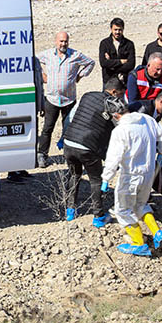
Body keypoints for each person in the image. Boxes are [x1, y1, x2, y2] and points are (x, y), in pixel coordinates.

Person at [101, 93, 162, 257]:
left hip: (130, 176)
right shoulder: (145, 119)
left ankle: (138, 243)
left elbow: (114, 158)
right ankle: (157, 232)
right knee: (141, 204)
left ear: (115, 115)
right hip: (148, 173)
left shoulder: (120, 131)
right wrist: (161, 151)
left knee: (123, 210)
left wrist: (106, 179)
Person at [61, 78, 124, 227]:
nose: (120, 98)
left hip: (69, 142)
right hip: (87, 147)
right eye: (120, 95)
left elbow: (69, 117)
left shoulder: (87, 95)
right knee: (96, 180)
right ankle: (98, 215)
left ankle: (70, 210)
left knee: (74, 174)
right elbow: (121, 127)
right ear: (114, 92)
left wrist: (64, 136)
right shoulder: (113, 104)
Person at [36, 31, 95, 169]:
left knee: (69, 129)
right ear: (56, 41)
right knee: (47, 128)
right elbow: (34, 61)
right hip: (52, 99)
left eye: (65, 41)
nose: (63, 44)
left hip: (69, 99)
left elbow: (90, 63)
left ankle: (70, 157)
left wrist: (80, 75)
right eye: (61, 41)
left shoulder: (75, 55)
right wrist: (41, 75)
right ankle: (42, 154)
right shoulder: (48, 54)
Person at [125, 52, 162, 118]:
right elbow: (132, 101)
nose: (159, 72)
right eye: (157, 69)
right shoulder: (135, 76)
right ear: (148, 65)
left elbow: (160, 101)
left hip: (150, 108)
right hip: (130, 106)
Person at [99, 17, 135, 87]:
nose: (117, 32)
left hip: (123, 81)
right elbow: (103, 63)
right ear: (111, 29)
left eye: (120, 30)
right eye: (115, 30)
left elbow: (131, 64)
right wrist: (121, 61)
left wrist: (112, 65)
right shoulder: (104, 43)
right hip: (108, 81)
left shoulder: (129, 44)